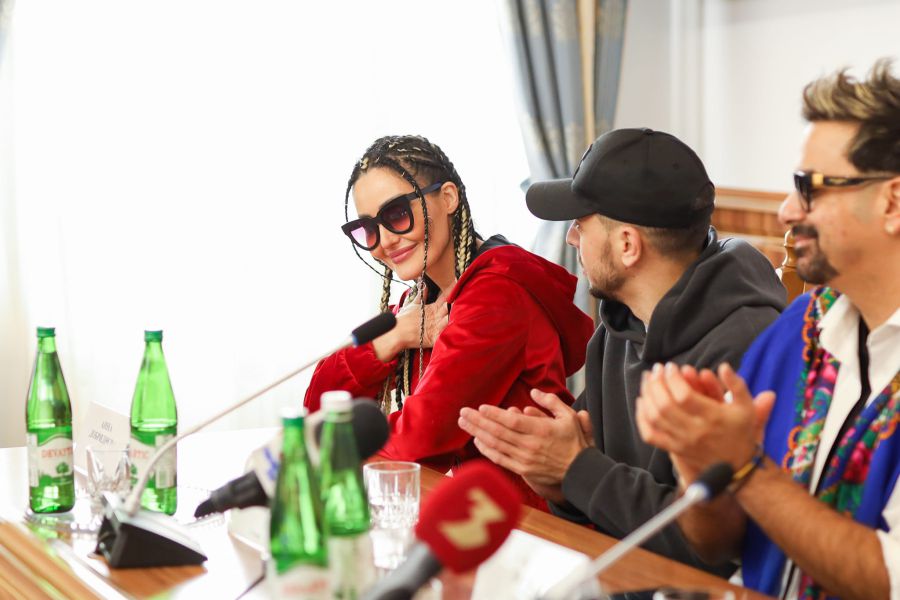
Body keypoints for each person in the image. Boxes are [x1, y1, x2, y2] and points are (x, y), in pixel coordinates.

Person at [457, 128, 786, 575]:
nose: (571, 239)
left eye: (581, 224)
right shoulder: (619, 323)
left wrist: (576, 470)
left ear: (627, 245)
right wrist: (559, 481)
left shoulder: (744, 346)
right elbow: (598, 500)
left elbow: (713, 550)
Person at [635, 60, 900, 599]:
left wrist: (746, 468)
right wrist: (702, 465)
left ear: (892, 202)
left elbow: (889, 580)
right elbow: (722, 545)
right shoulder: (799, 330)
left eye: (808, 187)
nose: (785, 211)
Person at [303, 135, 594, 507]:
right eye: (368, 229)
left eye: (396, 214)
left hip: (526, 523)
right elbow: (318, 407)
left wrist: (326, 445)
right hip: (468, 514)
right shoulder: (420, 302)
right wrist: (389, 339)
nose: (385, 241)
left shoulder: (496, 294)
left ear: (448, 198)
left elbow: (419, 440)